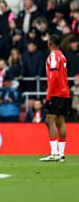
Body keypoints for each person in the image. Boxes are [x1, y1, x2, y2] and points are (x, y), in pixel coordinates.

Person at [40, 34, 70, 162]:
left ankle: (54, 153)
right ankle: (61, 154)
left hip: (56, 93)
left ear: (50, 43)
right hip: (65, 93)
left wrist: (48, 96)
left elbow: (54, 77)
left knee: (49, 120)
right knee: (61, 122)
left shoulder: (53, 56)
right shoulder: (62, 56)